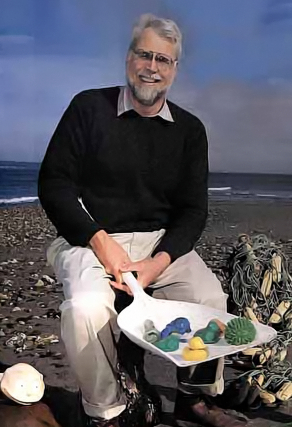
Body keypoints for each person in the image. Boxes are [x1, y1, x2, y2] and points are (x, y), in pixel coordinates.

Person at [38, 13, 246, 427]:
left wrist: (157, 262)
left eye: (163, 60)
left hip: (158, 244)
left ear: (174, 69)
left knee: (211, 300)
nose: (152, 67)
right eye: (144, 54)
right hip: (88, 240)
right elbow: (54, 183)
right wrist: (101, 241)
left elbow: (192, 211)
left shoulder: (190, 131)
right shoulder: (88, 107)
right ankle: (108, 410)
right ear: (129, 58)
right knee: (84, 309)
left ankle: (195, 396)